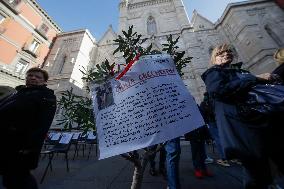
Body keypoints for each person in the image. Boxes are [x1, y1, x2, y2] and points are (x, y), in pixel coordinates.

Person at [201, 44, 281, 188]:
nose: (226, 54)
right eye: (221, 53)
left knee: (265, 166)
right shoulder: (213, 73)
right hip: (240, 125)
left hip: (254, 121)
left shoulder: (238, 72)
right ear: (214, 58)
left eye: (228, 51)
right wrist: (255, 79)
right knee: (256, 171)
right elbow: (219, 91)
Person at [0, 67, 56, 189]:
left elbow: (43, 125)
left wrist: (29, 147)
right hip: (5, 143)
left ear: (44, 81)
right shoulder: (18, 93)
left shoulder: (46, 96)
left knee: (19, 179)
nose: (33, 78)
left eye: (38, 77)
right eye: (30, 75)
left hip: (21, 146)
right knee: (8, 179)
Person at [199, 92, 231, 167]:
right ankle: (234, 157)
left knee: (218, 139)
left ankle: (223, 159)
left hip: (211, 122)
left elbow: (202, 114)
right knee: (226, 137)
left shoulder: (205, 103)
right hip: (220, 120)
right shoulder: (216, 101)